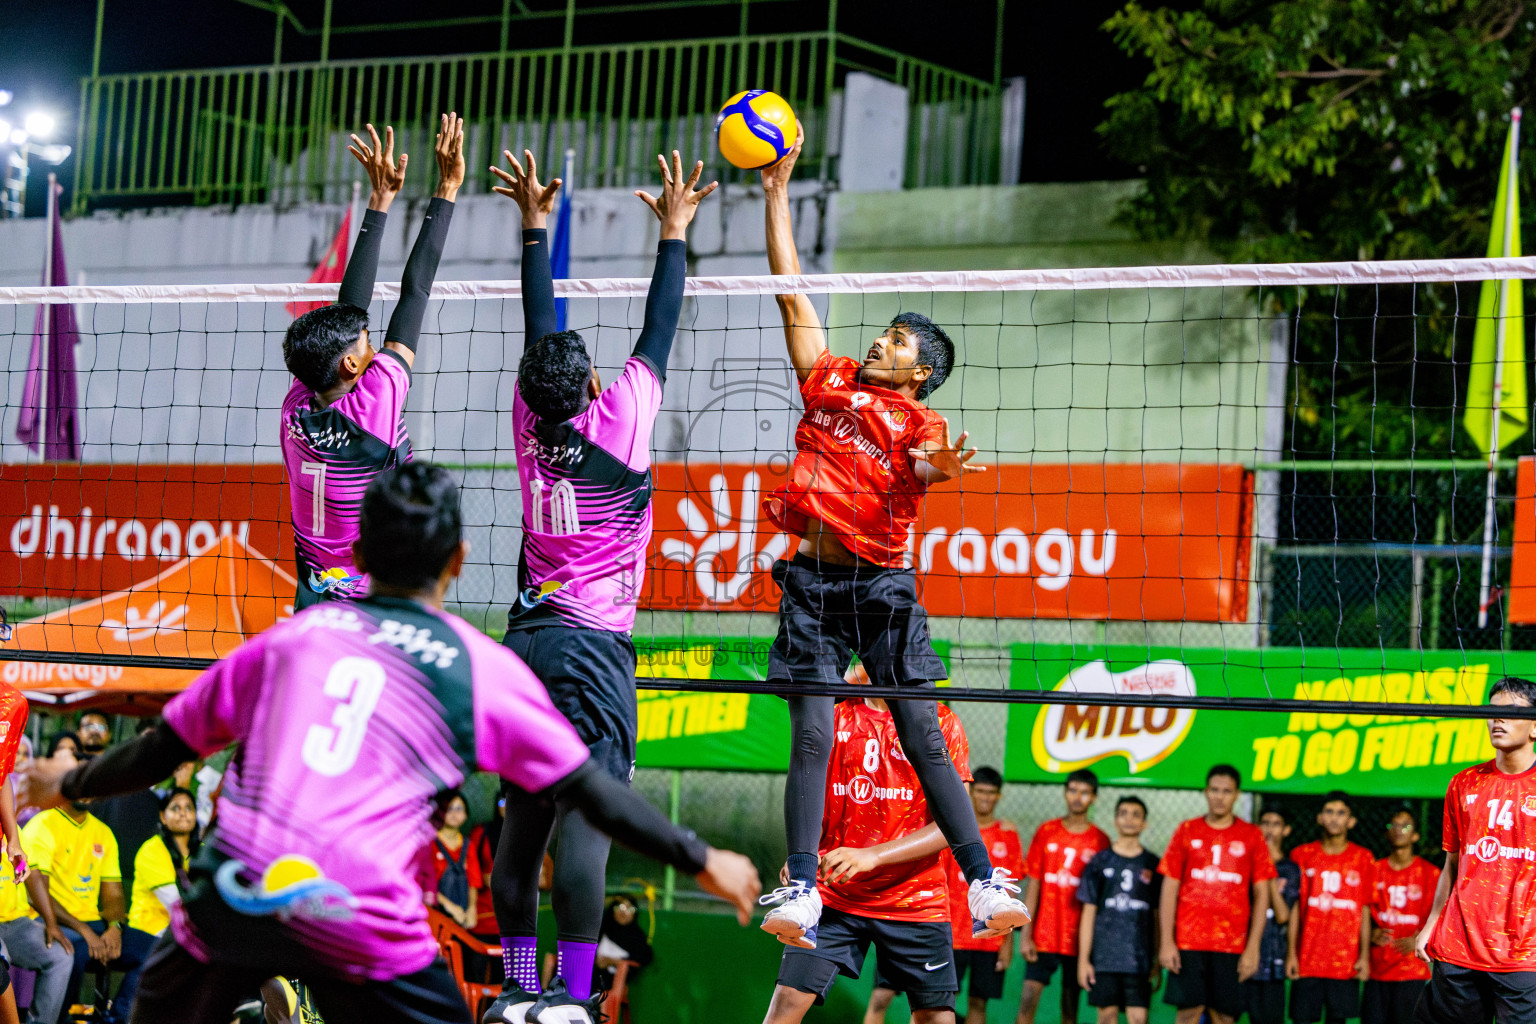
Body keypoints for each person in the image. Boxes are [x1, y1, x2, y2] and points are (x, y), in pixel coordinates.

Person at [22, 463, 761, 1024]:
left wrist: (69, 784)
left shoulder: (291, 640)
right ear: (458, 561)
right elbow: (590, 790)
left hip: (231, 895)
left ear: (360, 550)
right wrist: (701, 856)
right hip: (357, 911)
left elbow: (159, 754)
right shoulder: (480, 669)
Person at [752, 126, 1025, 953]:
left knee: (918, 730)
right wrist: (773, 195)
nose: (882, 341)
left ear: (919, 371)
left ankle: (983, 881)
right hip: (809, 583)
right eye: (887, 333)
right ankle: (800, 886)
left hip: (880, 587)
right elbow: (794, 296)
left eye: (900, 343)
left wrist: (942, 466)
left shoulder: (921, 419)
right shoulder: (830, 379)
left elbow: (929, 465)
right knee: (813, 732)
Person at [480, 147, 716, 1024]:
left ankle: (517, 990)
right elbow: (660, 328)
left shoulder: (527, 421)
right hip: (591, 655)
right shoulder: (621, 418)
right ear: (587, 385)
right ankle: (573, 1004)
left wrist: (533, 230)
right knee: (585, 830)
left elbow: (540, 336)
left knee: (520, 830)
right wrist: (675, 232)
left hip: (526, 648)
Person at [280, 115, 462, 608]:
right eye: (365, 342)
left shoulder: (297, 407)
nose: (371, 339)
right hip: (367, 599)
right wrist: (446, 189)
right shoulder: (375, 404)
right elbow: (416, 291)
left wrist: (379, 201)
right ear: (352, 367)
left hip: (311, 595)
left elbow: (348, 310)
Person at [761, 682, 973, 1024]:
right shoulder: (834, 715)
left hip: (915, 901)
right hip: (835, 895)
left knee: (936, 1018)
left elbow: (952, 826)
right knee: (785, 1003)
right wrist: (803, 854)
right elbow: (813, 795)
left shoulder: (941, 721)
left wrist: (873, 856)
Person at [1415, 676, 1536, 1023]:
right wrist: (1431, 925)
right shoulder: (1464, 782)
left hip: (1523, 952)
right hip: (1458, 946)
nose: (1497, 719)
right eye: (1491, 711)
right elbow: (1452, 864)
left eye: (1510, 712)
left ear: (1535, 728)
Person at [1158, 764, 1274, 1024]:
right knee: (1188, 1013)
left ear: (1237, 795)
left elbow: (1261, 892)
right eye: (1214, 790)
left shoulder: (1252, 835)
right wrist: (1167, 941)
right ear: (1205, 792)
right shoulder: (1186, 830)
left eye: (1227, 791)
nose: (1220, 796)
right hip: (1189, 940)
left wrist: (1253, 948)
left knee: (1223, 1015)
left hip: (1232, 943)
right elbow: (1169, 887)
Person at [21, 797, 144, 1024]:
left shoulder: (103, 833)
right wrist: (84, 931)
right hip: (48, 919)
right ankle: (57, 1018)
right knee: (75, 952)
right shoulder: (42, 825)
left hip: (92, 923)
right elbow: (38, 894)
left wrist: (115, 928)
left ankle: (115, 1018)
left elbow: (114, 895)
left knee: (143, 949)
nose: (85, 792)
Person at [1017, 769, 1109, 1024]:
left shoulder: (1101, 841)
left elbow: (1100, 901)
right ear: (1065, 793)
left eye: (1084, 792)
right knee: (1025, 1009)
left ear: (1094, 798)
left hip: (1078, 940)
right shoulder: (1046, 831)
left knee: (1069, 1014)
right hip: (1044, 935)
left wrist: (1094, 948)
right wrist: (1026, 934)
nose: (1077, 797)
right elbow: (1033, 886)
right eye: (1072, 790)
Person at [944, 767, 1023, 1024]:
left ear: (999, 796)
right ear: (970, 792)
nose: (985, 798)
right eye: (980, 791)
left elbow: (1010, 892)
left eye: (991, 793)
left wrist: (1007, 945)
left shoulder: (1008, 835)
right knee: (945, 1001)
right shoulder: (952, 831)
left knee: (979, 1001)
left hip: (990, 935)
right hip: (952, 934)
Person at [1286, 790, 1373, 1024]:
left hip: (1344, 962)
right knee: (1302, 1019)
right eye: (1329, 811)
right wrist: (1291, 954)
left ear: (1351, 821)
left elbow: (1364, 910)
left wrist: (1364, 957)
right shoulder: (1302, 854)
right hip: (1307, 960)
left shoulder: (1363, 858)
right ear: (1320, 817)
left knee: (1338, 1020)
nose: (1335, 818)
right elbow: (1295, 907)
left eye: (1341, 813)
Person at [1076, 796, 1161, 1024]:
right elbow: (1089, 913)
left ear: (1145, 823)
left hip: (1138, 959)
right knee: (1106, 1017)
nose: (1129, 819)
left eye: (1136, 814)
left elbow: (1157, 916)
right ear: (1114, 821)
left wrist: (1157, 958)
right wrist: (1084, 960)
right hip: (1105, 959)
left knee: (1138, 1017)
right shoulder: (1100, 862)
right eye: (1123, 813)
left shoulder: (1153, 864)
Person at [1364, 807, 1434, 1024]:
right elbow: (1361, 909)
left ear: (1415, 835)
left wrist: (1422, 937)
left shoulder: (1430, 873)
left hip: (1411, 969)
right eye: (1393, 825)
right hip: (1377, 967)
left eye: (1405, 826)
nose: (1398, 830)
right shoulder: (1374, 869)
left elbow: (1440, 915)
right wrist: (1371, 932)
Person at [1247, 804, 1300, 1024]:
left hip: (1273, 958)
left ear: (1286, 830)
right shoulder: (1244, 863)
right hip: (1243, 956)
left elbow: (1283, 915)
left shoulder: (1290, 869)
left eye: (1276, 824)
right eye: (1265, 823)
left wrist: (1266, 868)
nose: (1270, 829)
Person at [430, 791, 481, 931]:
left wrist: (472, 909)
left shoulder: (468, 845)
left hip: (461, 918)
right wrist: (450, 907)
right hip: (434, 915)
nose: (454, 813)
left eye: (459, 809)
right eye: (449, 808)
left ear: (465, 815)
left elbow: (474, 881)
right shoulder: (429, 843)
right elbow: (425, 883)